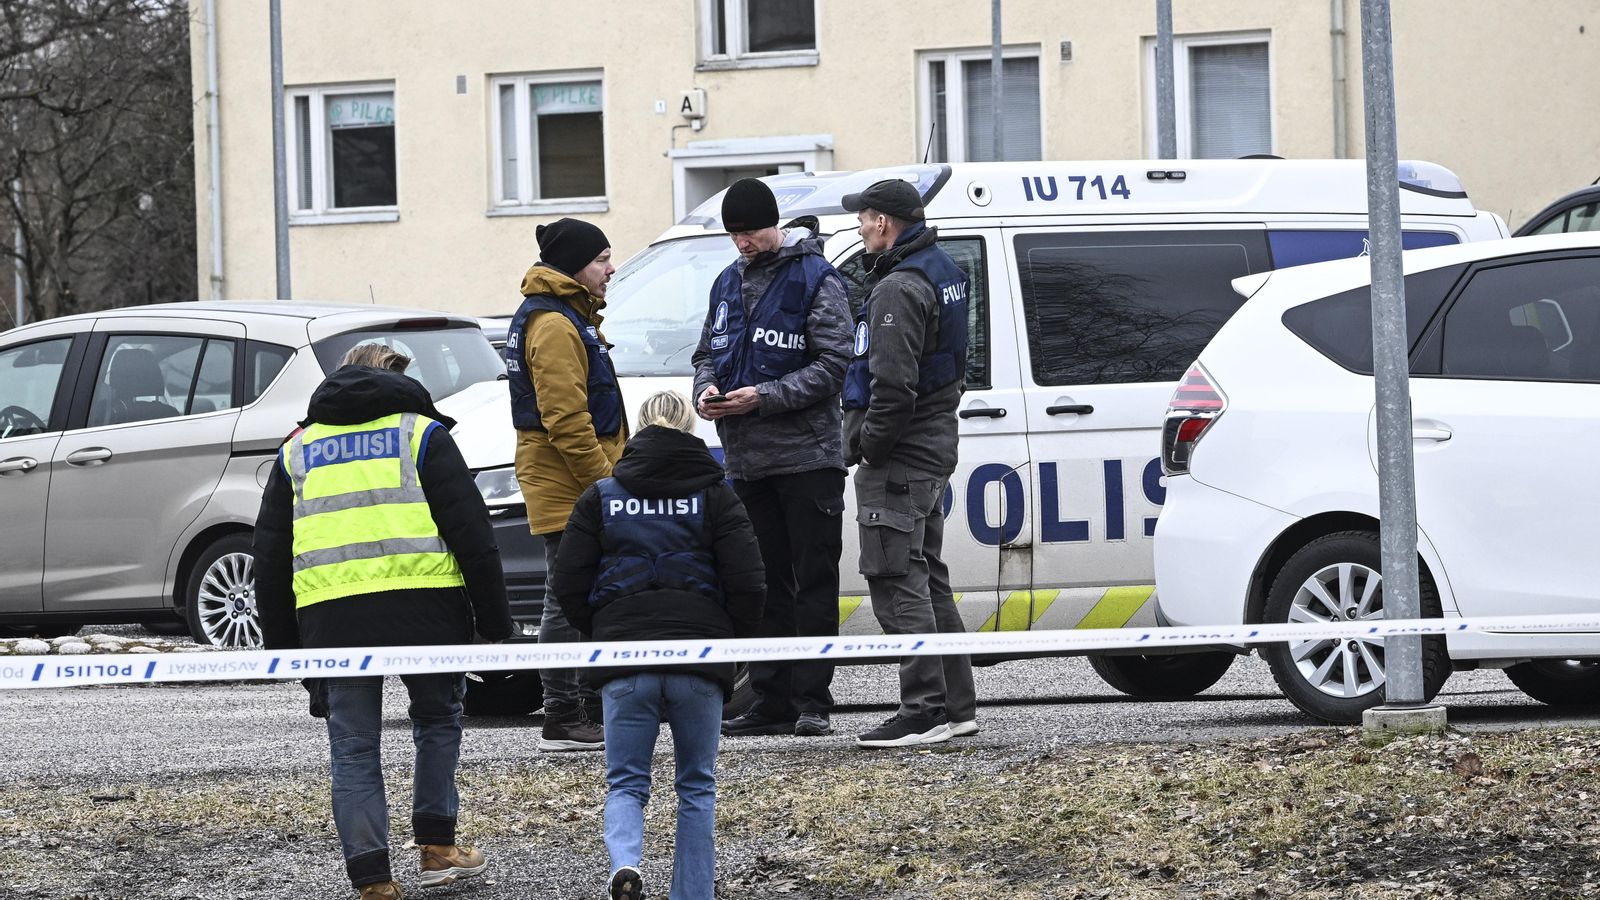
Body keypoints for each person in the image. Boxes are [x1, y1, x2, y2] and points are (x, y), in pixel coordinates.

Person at [254, 343, 514, 899]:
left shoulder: (297, 448)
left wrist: (283, 646)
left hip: (332, 617)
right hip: (427, 610)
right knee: (438, 721)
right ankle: (438, 847)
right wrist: (495, 621)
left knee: (353, 748)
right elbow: (472, 534)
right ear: (399, 381)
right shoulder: (421, 435)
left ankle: (373, 882)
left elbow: (270, 554)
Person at [549, 390, 765, 900]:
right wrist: (728, 639)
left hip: (626, 659)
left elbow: (568, 584)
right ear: (691, 430)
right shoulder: (717, 494)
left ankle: (626, 864)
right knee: (696, 785)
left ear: (637, 432)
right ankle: (692, 894)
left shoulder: (601, 496)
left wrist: (601, 631)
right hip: (698, 657)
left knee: (625, 782)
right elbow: (749, 582)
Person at [690, 177, 852, 738]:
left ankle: (813, 701)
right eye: (734, 235)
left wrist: (763, 398)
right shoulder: (726, 282)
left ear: (774, 225)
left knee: (812, 581)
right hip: (748, 463)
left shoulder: (817, 278)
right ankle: (770, 697)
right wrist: (706, 393)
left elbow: (835, 365)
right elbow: (706, 353)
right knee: (762, 585)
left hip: (809, 460)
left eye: (751, 233)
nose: (742, 244)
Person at [839, 178, 979, 749]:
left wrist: (869, 445)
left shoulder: (898, 286)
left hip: (900, 454)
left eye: (863, 218)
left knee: (897, 578)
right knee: (927, 577)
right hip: (931, 446)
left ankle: (922, 709)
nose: (858, 227)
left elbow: (892, 386)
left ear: (884, 223)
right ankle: (956, 706)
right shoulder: (943, 268)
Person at [507, 217, 629, 752]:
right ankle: (561, 714)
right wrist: (606, 485)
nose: (611, 268)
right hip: (569, 482)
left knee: (579, 593)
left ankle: (583, 708)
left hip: (571, 478)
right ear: (576, 264)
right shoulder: (555, 323)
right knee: (563, 596)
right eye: (602, 258)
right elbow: (567, 420)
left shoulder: (566, 314)